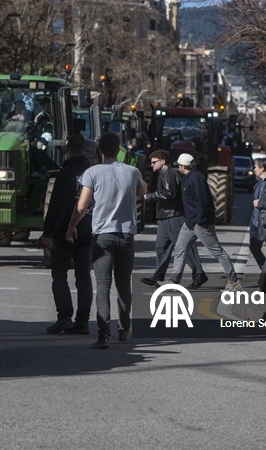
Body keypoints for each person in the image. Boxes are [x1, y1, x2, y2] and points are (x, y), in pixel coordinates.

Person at [66, 132, 146, 349]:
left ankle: (104, 335)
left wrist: (72, 226)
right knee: (123, 285)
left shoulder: (92, 172)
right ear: (119, 148)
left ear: (100, 149)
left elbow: (81, 206)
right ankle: (124, 328)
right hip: (126, 235)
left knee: (103, 286)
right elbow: (143, 189)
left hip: (102, 236)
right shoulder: (132, 172)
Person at [38, 134, 93, 335]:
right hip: (88, 231)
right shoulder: (92, 173)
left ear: (67, 150)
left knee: (59, 273)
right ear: (84, 150)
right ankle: (83, 320)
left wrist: (48, 234)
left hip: (66, 232)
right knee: (84, 275)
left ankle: (64, 317)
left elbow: (57, 208)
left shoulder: (66, 174)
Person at [166, 153, 242, 291]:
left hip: (199, 223)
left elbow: (203, 202)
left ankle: (234, 281)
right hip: (190, 223)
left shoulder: (196, 179)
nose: (179, 168)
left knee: (217, 251)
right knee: (180, 249)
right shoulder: (189, 177)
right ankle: (174, 281)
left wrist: (200, 221)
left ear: (183, 166)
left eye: (179, 165)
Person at [140, 150, 206, 288]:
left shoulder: (169, 174)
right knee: (161, 247)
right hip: (165, 217)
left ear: (163, 161)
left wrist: (150, 196)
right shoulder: (163, 174)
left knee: (184, 248)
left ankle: (199, 275)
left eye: (154, 162)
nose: (151, 165)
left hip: (173, 216)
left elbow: (168, 194)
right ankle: (158, 276)